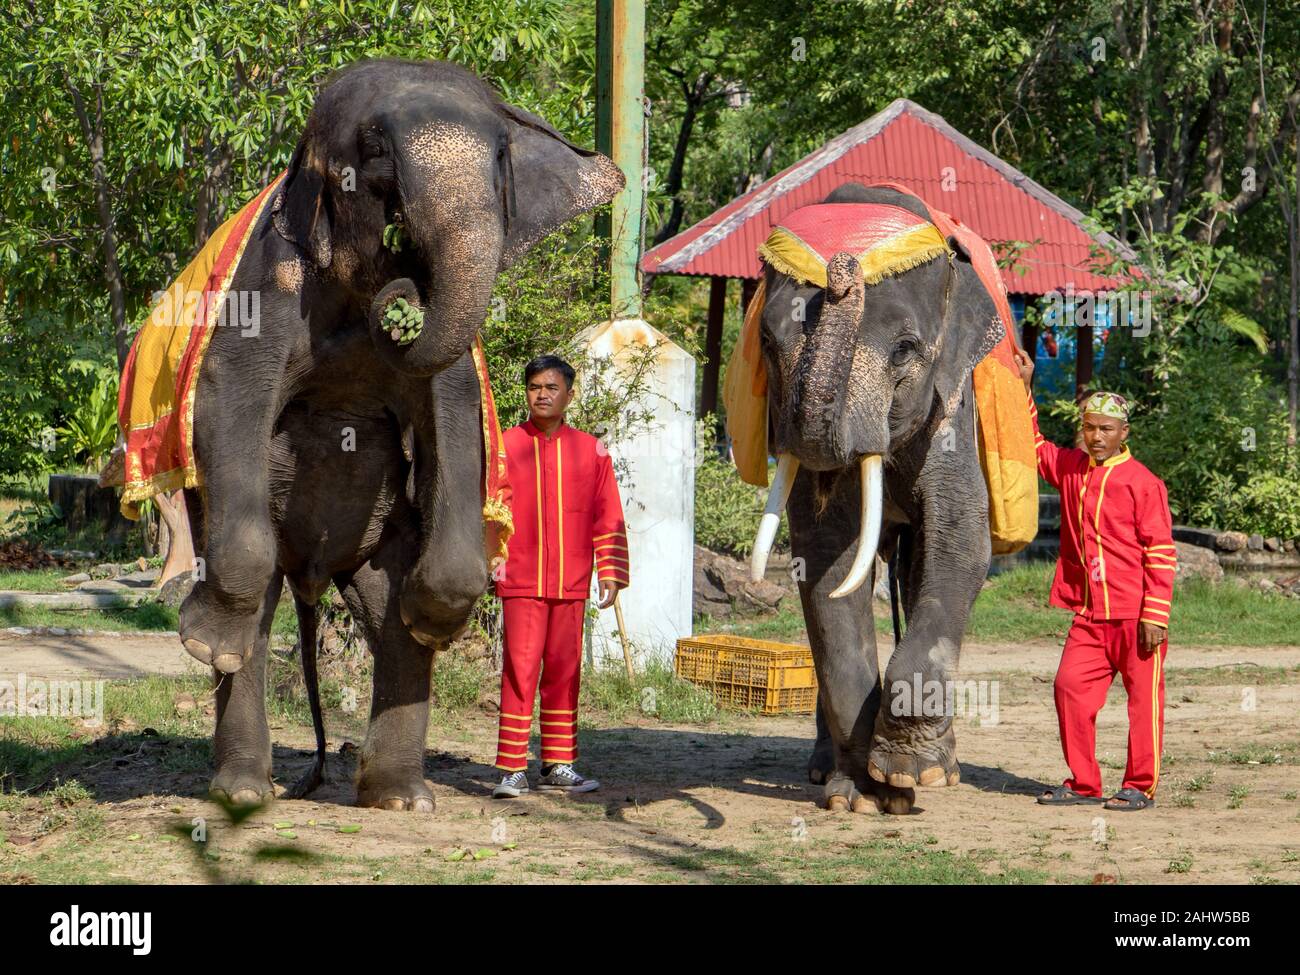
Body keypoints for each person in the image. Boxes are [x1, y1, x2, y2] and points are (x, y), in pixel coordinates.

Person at [1015, 351, 1175, 812]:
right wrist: (1027, 387)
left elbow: (1161, 551)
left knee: (1143, 703)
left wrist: (1156, 614)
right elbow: (1031, 443)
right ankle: (1084, 784)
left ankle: (1139, 786)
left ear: (1124, 433)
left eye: (1106, 429)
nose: (1097, 436)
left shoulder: (1143, 483)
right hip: (1089, 614)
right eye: (1090, 427)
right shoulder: (1069, 468)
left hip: (1136, 614)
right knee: (1068, 687)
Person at [490, 355, 629, 798]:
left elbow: (608, 515)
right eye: (534, 387)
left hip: (571, 581)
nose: (542, 394)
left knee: (565, 673)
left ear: (569, 394)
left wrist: (609, 569)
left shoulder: (592, 451)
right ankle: (512, 768)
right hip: (522, 578)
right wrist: (491, 560)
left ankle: (558, 763)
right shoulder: (505, 447)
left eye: (551, 387)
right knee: (520, 669)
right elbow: (489, 513)